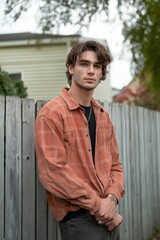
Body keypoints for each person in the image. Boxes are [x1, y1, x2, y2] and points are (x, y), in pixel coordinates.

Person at [34, 40, 125, 240]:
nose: (91, 70)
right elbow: (54, 173)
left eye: (97, 66)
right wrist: (100, 206)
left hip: (109, 218)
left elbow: (116, 167)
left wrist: (111, 199)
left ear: (102, 73)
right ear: (71, 68)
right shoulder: (51, 114)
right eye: (84, 64)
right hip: (78, 221)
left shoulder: (103, 116)